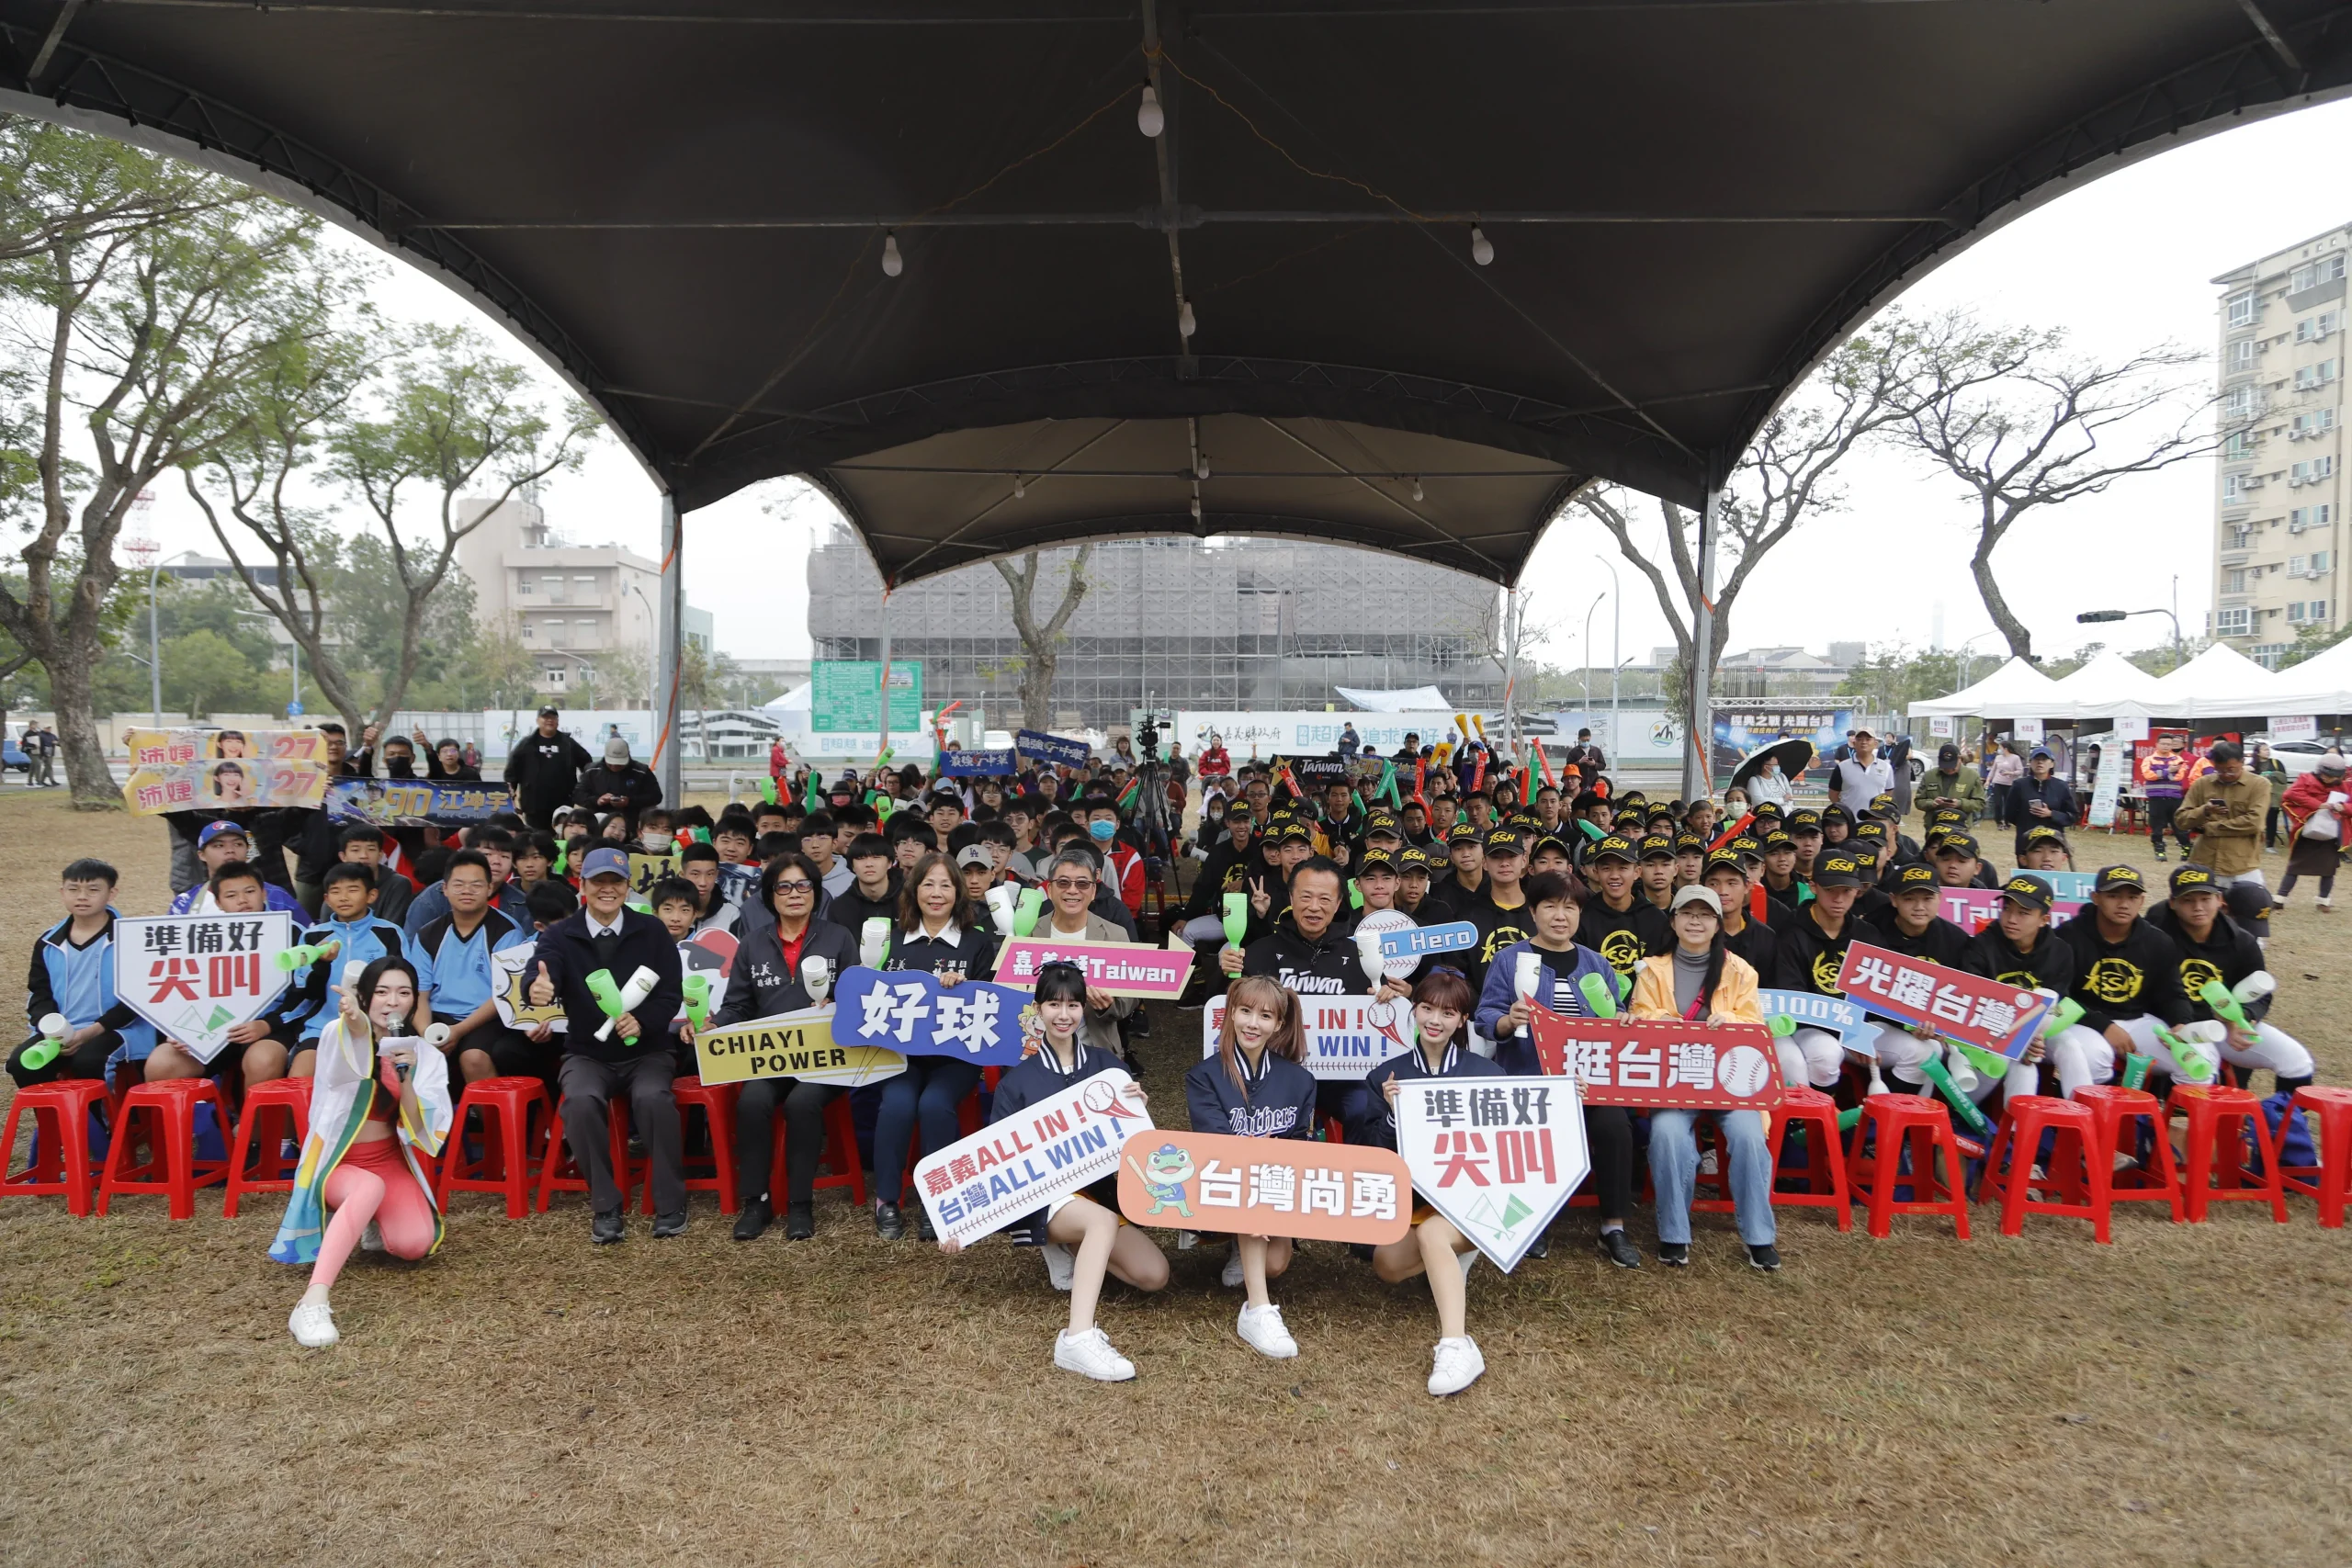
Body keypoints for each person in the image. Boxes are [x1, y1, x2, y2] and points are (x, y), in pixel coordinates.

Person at [942, 962, 1167, 1382]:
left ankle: (1072, 1247)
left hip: (1095, 1191)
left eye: (1073, 1005)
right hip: (1044, 1198)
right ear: (1038, 1009)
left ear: (1084, 1008)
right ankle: (1077, 1337)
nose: (1064, 1015)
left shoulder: (1107, 1066)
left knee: (1153, 1275)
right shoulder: (1017, 1081)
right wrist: (964, 1223)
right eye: (1053, 1005)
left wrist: (1137, 1109)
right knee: (1100, 1222)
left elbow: (1132, 1147)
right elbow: (994, 1160)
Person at [274, 955, 451, 1348]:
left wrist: (406, 1077)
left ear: (415, 1000)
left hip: (386, 1160)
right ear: (366, 997)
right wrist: (355, 1021)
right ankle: (312, 1301)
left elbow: (421, 1130)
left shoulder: (427, 1056)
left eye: (404, 993)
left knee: (414, 1244)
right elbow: (347, 1057)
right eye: (382, 992)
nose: (393, 1002)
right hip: (337, 1163)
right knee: (367, 1187)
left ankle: (368, 1219)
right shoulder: (336, 1032)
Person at [526, 846, 686, 1243]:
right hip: (587, 1052)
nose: (607, 889)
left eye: (616, 881)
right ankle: (605, 1203)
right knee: (579, 1102)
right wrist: (538, 986)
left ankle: (670, 1202)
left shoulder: (652, 931)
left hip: (648, 1051)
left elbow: (671, 993)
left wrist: (643, 1020)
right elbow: (543, 969)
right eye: (599, 881)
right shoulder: (561, 934)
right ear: (582, 885)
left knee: (654, 1099)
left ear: (628, 887)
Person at [1359, 969, 1502, 1397]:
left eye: (1448, 1012)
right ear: (1414, 1010)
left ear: (1463, 1020)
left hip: (1479, 1200)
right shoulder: (1387, 1076)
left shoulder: (1487, 1074)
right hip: (1418, 1201)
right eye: (1426, 1008)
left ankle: (1457, 1344)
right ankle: (1450, 1263)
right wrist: (1392, 1116)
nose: (1435, 1020)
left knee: (1435, 1234)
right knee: (1387, 1266)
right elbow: (1373, 1156)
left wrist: (1566, 1096)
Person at [1627, 886, 1779, 1270]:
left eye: (1705, 915)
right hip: (1674, 1081)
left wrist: (1732, 1021)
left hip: (1730, 1082)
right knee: (1667, 1136)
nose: (1696, 921)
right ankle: (1674, 1233)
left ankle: (1759, 1236)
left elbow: (1756, 1026)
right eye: (1687, 913)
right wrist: (1667, 1021)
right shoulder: (1651, 970)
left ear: (1718, 924)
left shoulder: (1740, 971)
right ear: (1673, 920)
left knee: (1748, 1137)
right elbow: (1640, 1015)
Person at [714, 852, 860, 1242]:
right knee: (752, 1101)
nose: (795, 894)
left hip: (828, 1058)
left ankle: (799, 1203)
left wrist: (837, 1005)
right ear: (770, 896)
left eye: (803, 885)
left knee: (802, 1103)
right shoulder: (752, 943)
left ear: (815, 891)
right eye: (784, 887)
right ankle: (756, 1201)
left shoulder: (839, 937)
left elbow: (859, 998)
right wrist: (715, 1025)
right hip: (772, 1057)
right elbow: (738, 1005)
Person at [1183, 976, 1316, 1359]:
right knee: (1250, 1178)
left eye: (1265, 1016)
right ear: (1230, 1014)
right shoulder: (1204, 1076)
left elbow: (1301, 1149)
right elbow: (1218, 1149)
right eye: (1245, 1012)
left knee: (1275, 1265)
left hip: (1275, 1187)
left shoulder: (1300, 1080)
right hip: (1226, 1184)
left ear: (1279, 1024)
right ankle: (1257, 1310)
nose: (1252, 1024)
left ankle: (1243, 1247)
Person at [871, 852, 1001, 1240]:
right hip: (901, 1055)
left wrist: (964, 989)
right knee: (896, 1105)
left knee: (934, 1105)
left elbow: (990, 1002)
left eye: (946, 884)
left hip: (955, 1056)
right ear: (914, 890)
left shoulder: (977, 943)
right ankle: (887, 1199)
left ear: (958, 892)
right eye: (928, 884)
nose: (936, 893)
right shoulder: (890, 939)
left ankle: (938, 1199)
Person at [2148, 864, 2313, 1094]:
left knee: (2297, 1061)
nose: (2198, 907)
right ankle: (2176, 1112)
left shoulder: (2242, 941)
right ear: (2172, 903)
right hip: (2172, 1024)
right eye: (2188, 900)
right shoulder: (2155, 934)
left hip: (2224, 1026)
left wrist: (2243, 1016)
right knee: (2201, 1067)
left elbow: (2262, 996)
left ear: (2219, 900)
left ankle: (2281, 1115)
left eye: (2205, 899)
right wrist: (2177, 1022)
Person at [139, 864, 298, 1090]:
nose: (242, 900)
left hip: (272, 1026)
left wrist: (267, 1024)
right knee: (161, 1064)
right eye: (231, 896)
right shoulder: (202, 937)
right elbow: (179, 988)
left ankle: (251, 1115)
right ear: (218, 902)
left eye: (250, 891)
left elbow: (307, 994)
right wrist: (178, 1029)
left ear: (263, 893)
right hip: (213, 1026)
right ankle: (197, 1114)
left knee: (262, 1060)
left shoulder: (292, 932)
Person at [7, 858, 153, 1088]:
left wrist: (90, 1032)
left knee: (88, 1062)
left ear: (112, 893)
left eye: (93, 890)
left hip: (120, 1029)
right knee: (21, 1064)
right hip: (61, 1033)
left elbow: (138, 999)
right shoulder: (48, 942)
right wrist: (53, 1030)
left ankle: (98, 1113)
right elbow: (39, 993)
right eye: (73, 889)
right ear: (62, 892)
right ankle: (53, 1112)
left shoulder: (132, 938)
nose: (82, 897)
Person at [407, 850, 533, 1086]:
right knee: (407, 1053)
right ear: (445, 889)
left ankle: (488, 1112)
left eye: (476, 885)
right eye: (459, 885)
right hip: (438, 1015)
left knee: (474, 1058)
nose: (467, 891)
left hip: (487, 1018)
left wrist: (458, 1031)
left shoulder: (507, 932)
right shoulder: (428, 934)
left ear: (489, 888)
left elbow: (505, 994)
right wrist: (427, 1033)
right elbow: (420, 993)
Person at [2060, 865, 2193, 1086]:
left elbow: (2172, 994)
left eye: (2132, 897)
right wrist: (2104, 1025)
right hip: (2083, 1021)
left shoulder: (2158, 941)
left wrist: (2181, 1022)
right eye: (2113, 896)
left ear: (2141, 901)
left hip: (2138, 1020)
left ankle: (2158, 1107)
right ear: (2095, 898)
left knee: (2193, 1060)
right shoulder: (2067, 936)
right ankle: (2098, 1105)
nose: (2123, 904)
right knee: (2093, 1059)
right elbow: (2061, 997)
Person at [285, 863, 411, 1079]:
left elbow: (403, 986)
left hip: (378, 1027)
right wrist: (322, 964)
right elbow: (308, 992)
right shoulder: (313, 937)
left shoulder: (389, 933)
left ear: (371, 895)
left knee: (380, 1085)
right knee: (299, 1079)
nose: (343, 897)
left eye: (352, 890)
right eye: (335, 891)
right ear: (326, 899)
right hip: (324, 1025)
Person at [1770, 848, 1879, 1091]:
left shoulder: (1868, 934)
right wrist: (1848, 1032)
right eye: (1830, 890)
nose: (1839, 899)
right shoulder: (1791, 933)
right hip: (1807, 1027)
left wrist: (1913, 1024)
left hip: (1859, 1026)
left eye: (1847, 891)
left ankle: (1881, 1110)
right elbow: (1794, 1001)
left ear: (1857, 891)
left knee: (1920, 1051)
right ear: (1813, 886)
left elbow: (1880, 995)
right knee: (1826, 1054)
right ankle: (1820, 1111)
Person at [1034, 846, 1136, 1055]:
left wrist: (1106, 1006)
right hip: (1035, 1048)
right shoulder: (1029, 933)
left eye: (1082, 884)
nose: (1072, 890)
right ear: (1049, 890)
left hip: (1095, 1050)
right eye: (1063, 883)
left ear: (1094, 891)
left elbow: (1128, 1002)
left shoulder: (1115, 935)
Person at [2176, 740, 2270, 891]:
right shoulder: (2202, 784)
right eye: (2219, 770)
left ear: (2242, 762)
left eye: (2231, 770)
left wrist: (2211, 827)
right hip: (2204, 862)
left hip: (2241, 865)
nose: (2225, 775)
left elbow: (2255, 822)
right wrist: (2204, 811)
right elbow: (2181, 819)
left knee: (2248, 904)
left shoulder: (2259, 785)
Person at [168, 820, 306, 917]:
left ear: (248, 850)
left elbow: (305, 939)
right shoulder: (185, 903)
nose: (230, 850)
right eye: (219, 846)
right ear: (201, 855)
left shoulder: (278, 897)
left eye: (238, 844)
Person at [2277, 750, 2346, 910]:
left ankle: (2323, 901)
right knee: (2294, 867)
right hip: (2307, 829)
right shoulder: (2306, 779)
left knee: (2328, 869)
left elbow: (2349, 802)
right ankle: (2280, 898)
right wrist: (2318, 804)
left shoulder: (2342, 785)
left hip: (2330, 832)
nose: (2328, 779)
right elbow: (2291, 793)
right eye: (2326, 775)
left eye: (2333, 777)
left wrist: (2341, 807)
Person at [504, 707, 593, 829]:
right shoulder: (527, 744)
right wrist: (511, 793)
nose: (549, 720)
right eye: (545, 717)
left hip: (563, 804)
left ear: (557, 721)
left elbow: (587, 764)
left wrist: (581, 790)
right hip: (534, 805)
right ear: (538, 720)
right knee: (536, 836)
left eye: (553, 717)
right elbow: (511, 771)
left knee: (561, 835)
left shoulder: (568, 743)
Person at [571, 737, 662, 834]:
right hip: (598, 820)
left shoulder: (641, 772)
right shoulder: (592, 771)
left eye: (619, 764)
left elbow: (656, 796)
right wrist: (597, 800)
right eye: (611, 763)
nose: (614, 766)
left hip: (632, 819)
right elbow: (577, 794)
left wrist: (630, 801)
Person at [2138, 733, 2195, 861]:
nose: (2166, 746)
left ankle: (2186, 846)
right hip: (2156, 797)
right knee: (2157, 826)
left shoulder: (2178, 759)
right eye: (2163, 744)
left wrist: (2159, 773)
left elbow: (2179, 776)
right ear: (2157, 744)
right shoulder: (2149, 759)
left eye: (2169, 744)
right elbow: (2148, 775)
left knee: (2179, 825)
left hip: (2174, 797)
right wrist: (2168, 771)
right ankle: (2159, 850)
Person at [1918, 742, 1984, 828]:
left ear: (1960, 759)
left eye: (1952, 766)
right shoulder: (1929, 776)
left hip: (1960, 827)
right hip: (1934, 826)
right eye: (1945, 766)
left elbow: (1980, 803)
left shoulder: (1972, 776)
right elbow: (1919, 801)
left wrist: (1960, 803)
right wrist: (1932, 803)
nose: (1949, 770)